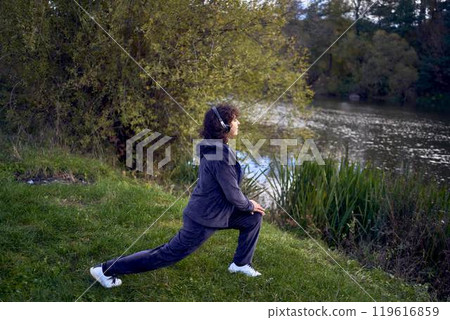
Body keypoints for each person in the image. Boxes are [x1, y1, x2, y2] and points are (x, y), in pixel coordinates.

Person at [90, 103, 266, 288]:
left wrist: (249, 209)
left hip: (218, 212)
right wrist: (248, 204)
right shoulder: (219, 154)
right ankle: (105, 270)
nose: (238, 123)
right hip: (204, 218)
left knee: (252, 219)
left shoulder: (216, 147)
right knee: (165, 255)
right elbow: (232, 194)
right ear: (224, 126)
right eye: (235, 120)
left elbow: (228, 189)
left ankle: (240, 264)